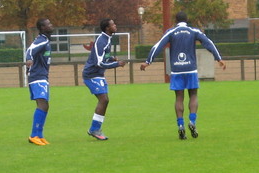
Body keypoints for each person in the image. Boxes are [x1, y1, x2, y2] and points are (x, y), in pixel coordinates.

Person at [140, 11, 225, 140]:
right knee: (193, 95)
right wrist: (218, 58)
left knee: (179, 98)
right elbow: (208, 43)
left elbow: (158, 46)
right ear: (187, 19)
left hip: (176, 70)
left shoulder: (171, 32)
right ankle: (192, 122)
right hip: (190, 69)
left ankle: (180, 125)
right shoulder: (193, 31)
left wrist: (148, 62)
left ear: (176, 20)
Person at [82, 18, 124, 140]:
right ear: (107, 28)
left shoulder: (107, 39)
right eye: (113, 24)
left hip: (98, 74)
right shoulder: (102, 41)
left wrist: (111, 59)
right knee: (104, 99)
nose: (115, 26)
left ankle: (95, 129)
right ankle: (94, 129)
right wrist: (117, 64)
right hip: (91, 74)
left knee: (105, 100)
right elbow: (99, 62)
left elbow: (103, 57)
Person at [24, 18, 53, 145]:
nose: (51, 26)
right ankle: (34, 135)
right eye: (48, 24)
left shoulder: (45, 40)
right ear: (42, 28)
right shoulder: (41, 40)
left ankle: (39, 135)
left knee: (44, 104)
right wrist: (29, 59)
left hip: (42, 76)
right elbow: (30, 50)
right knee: (42, 104)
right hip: (37, 77)